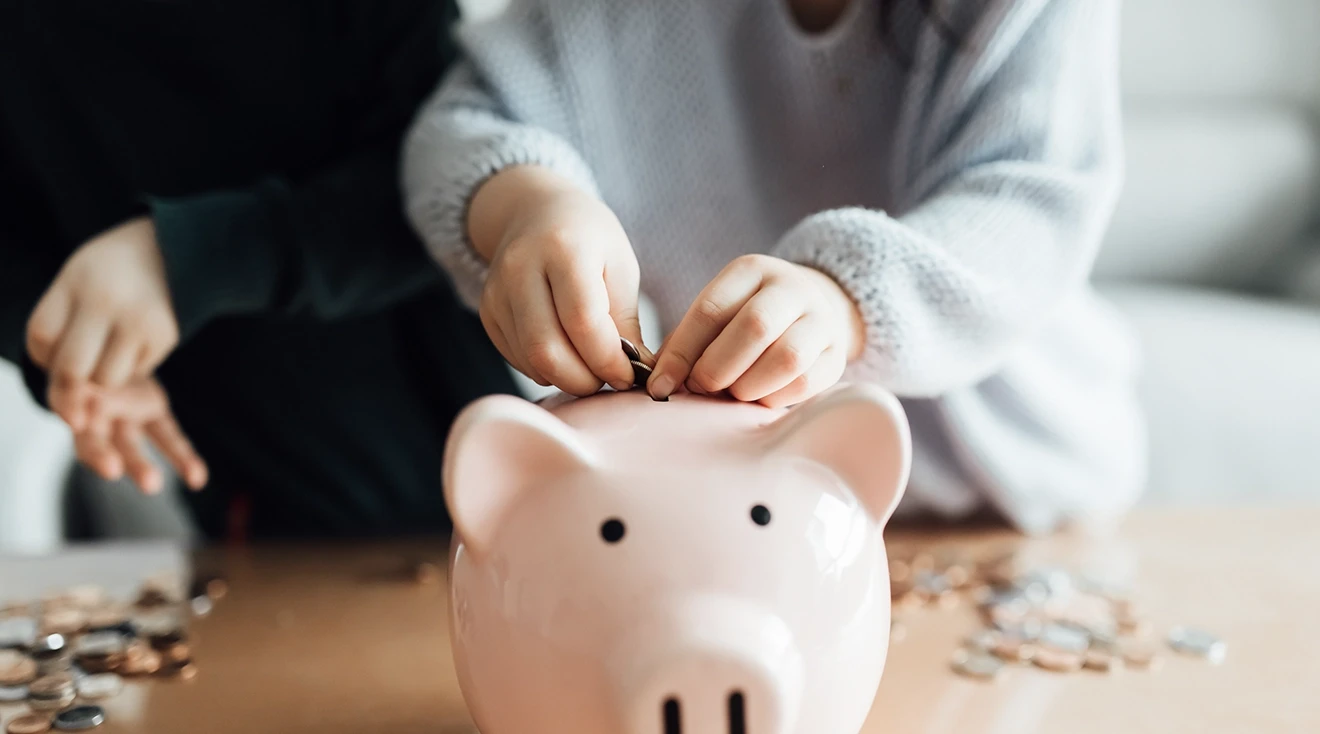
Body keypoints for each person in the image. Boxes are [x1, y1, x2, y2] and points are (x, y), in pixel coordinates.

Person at [402, 0, 1147, 532]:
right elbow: (464, 124)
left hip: (1013, 501)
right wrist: (529, 205)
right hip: (758, 514)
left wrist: (846, 297)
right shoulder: (606, 20)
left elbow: (1030, 203)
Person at [0, 0, 515, 538]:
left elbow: (451, 177)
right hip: (251, 510)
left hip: (472, 477)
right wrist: (63, 341)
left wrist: (186, 258)